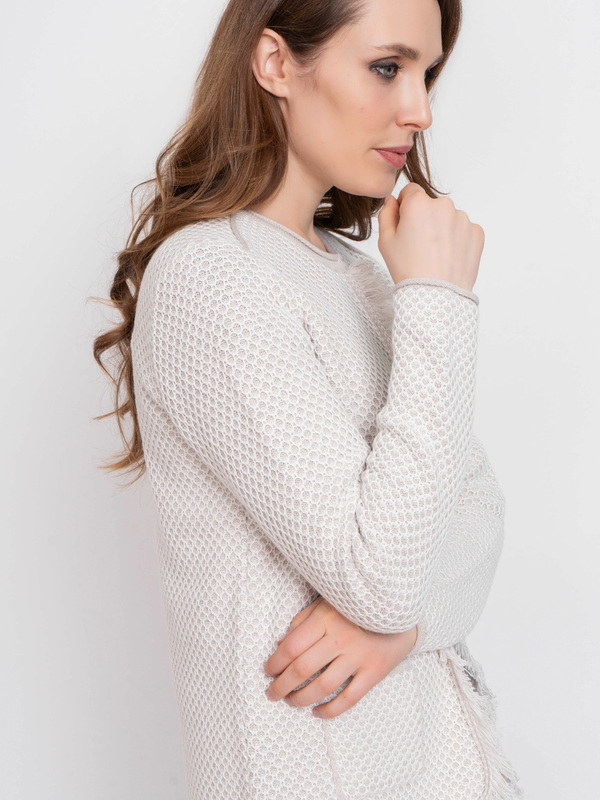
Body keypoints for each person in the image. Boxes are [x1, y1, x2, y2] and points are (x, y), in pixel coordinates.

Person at [93, 0, 524, 797]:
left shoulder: (359, 277)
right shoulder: (210, 277)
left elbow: (482, 516)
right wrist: (437, 298)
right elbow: (382, 576)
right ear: (275, 63)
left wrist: (399, 632)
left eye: (427, 74)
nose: (420, 110)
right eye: (387, 67)